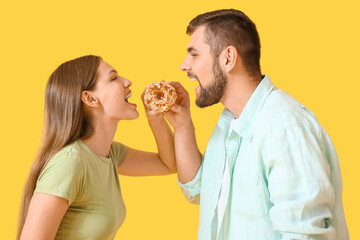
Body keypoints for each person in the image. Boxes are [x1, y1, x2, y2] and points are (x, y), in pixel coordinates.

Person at [164, 9, 349, 239]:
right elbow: (200, 192)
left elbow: (305, 235)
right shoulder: (228, 123)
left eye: (194, 55)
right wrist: (182, 126)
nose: (184, 65)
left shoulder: (285, 127)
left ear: (228, 58)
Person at [17, 55, 176, 240]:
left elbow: (168, 164)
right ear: (90, 98)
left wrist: (155, 119)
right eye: (114, 78)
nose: (127, 82)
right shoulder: (70, 162)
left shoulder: (110, 154)